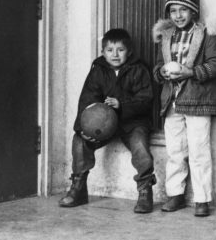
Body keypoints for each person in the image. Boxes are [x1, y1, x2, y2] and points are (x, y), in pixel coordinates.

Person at [59, 28, 156, 213]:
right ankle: (78, 187)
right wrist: (83, 128)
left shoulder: (139, 69)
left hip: (132, 122)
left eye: (120, 50)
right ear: (103, 52)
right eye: (110, 50)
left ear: (129, 51)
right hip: (104, 124)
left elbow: (146, 100)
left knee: (140, 145)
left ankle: (145, 190)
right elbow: (87, 100)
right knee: (80, 140)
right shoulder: (98, 69)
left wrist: (122, 105)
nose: (115, 54)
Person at [152, 0, 216, 217]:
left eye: (183, 9)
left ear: (193, 11)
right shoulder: (166, 36)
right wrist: (162, 72)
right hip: (172, 102)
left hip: (198, 101)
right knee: (175, 151)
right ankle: (175, 194)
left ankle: (202, 199)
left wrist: (191, 72)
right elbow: (158, 65)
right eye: (173, 10)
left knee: (199, 151)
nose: (178, 15)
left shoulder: (206, 34)